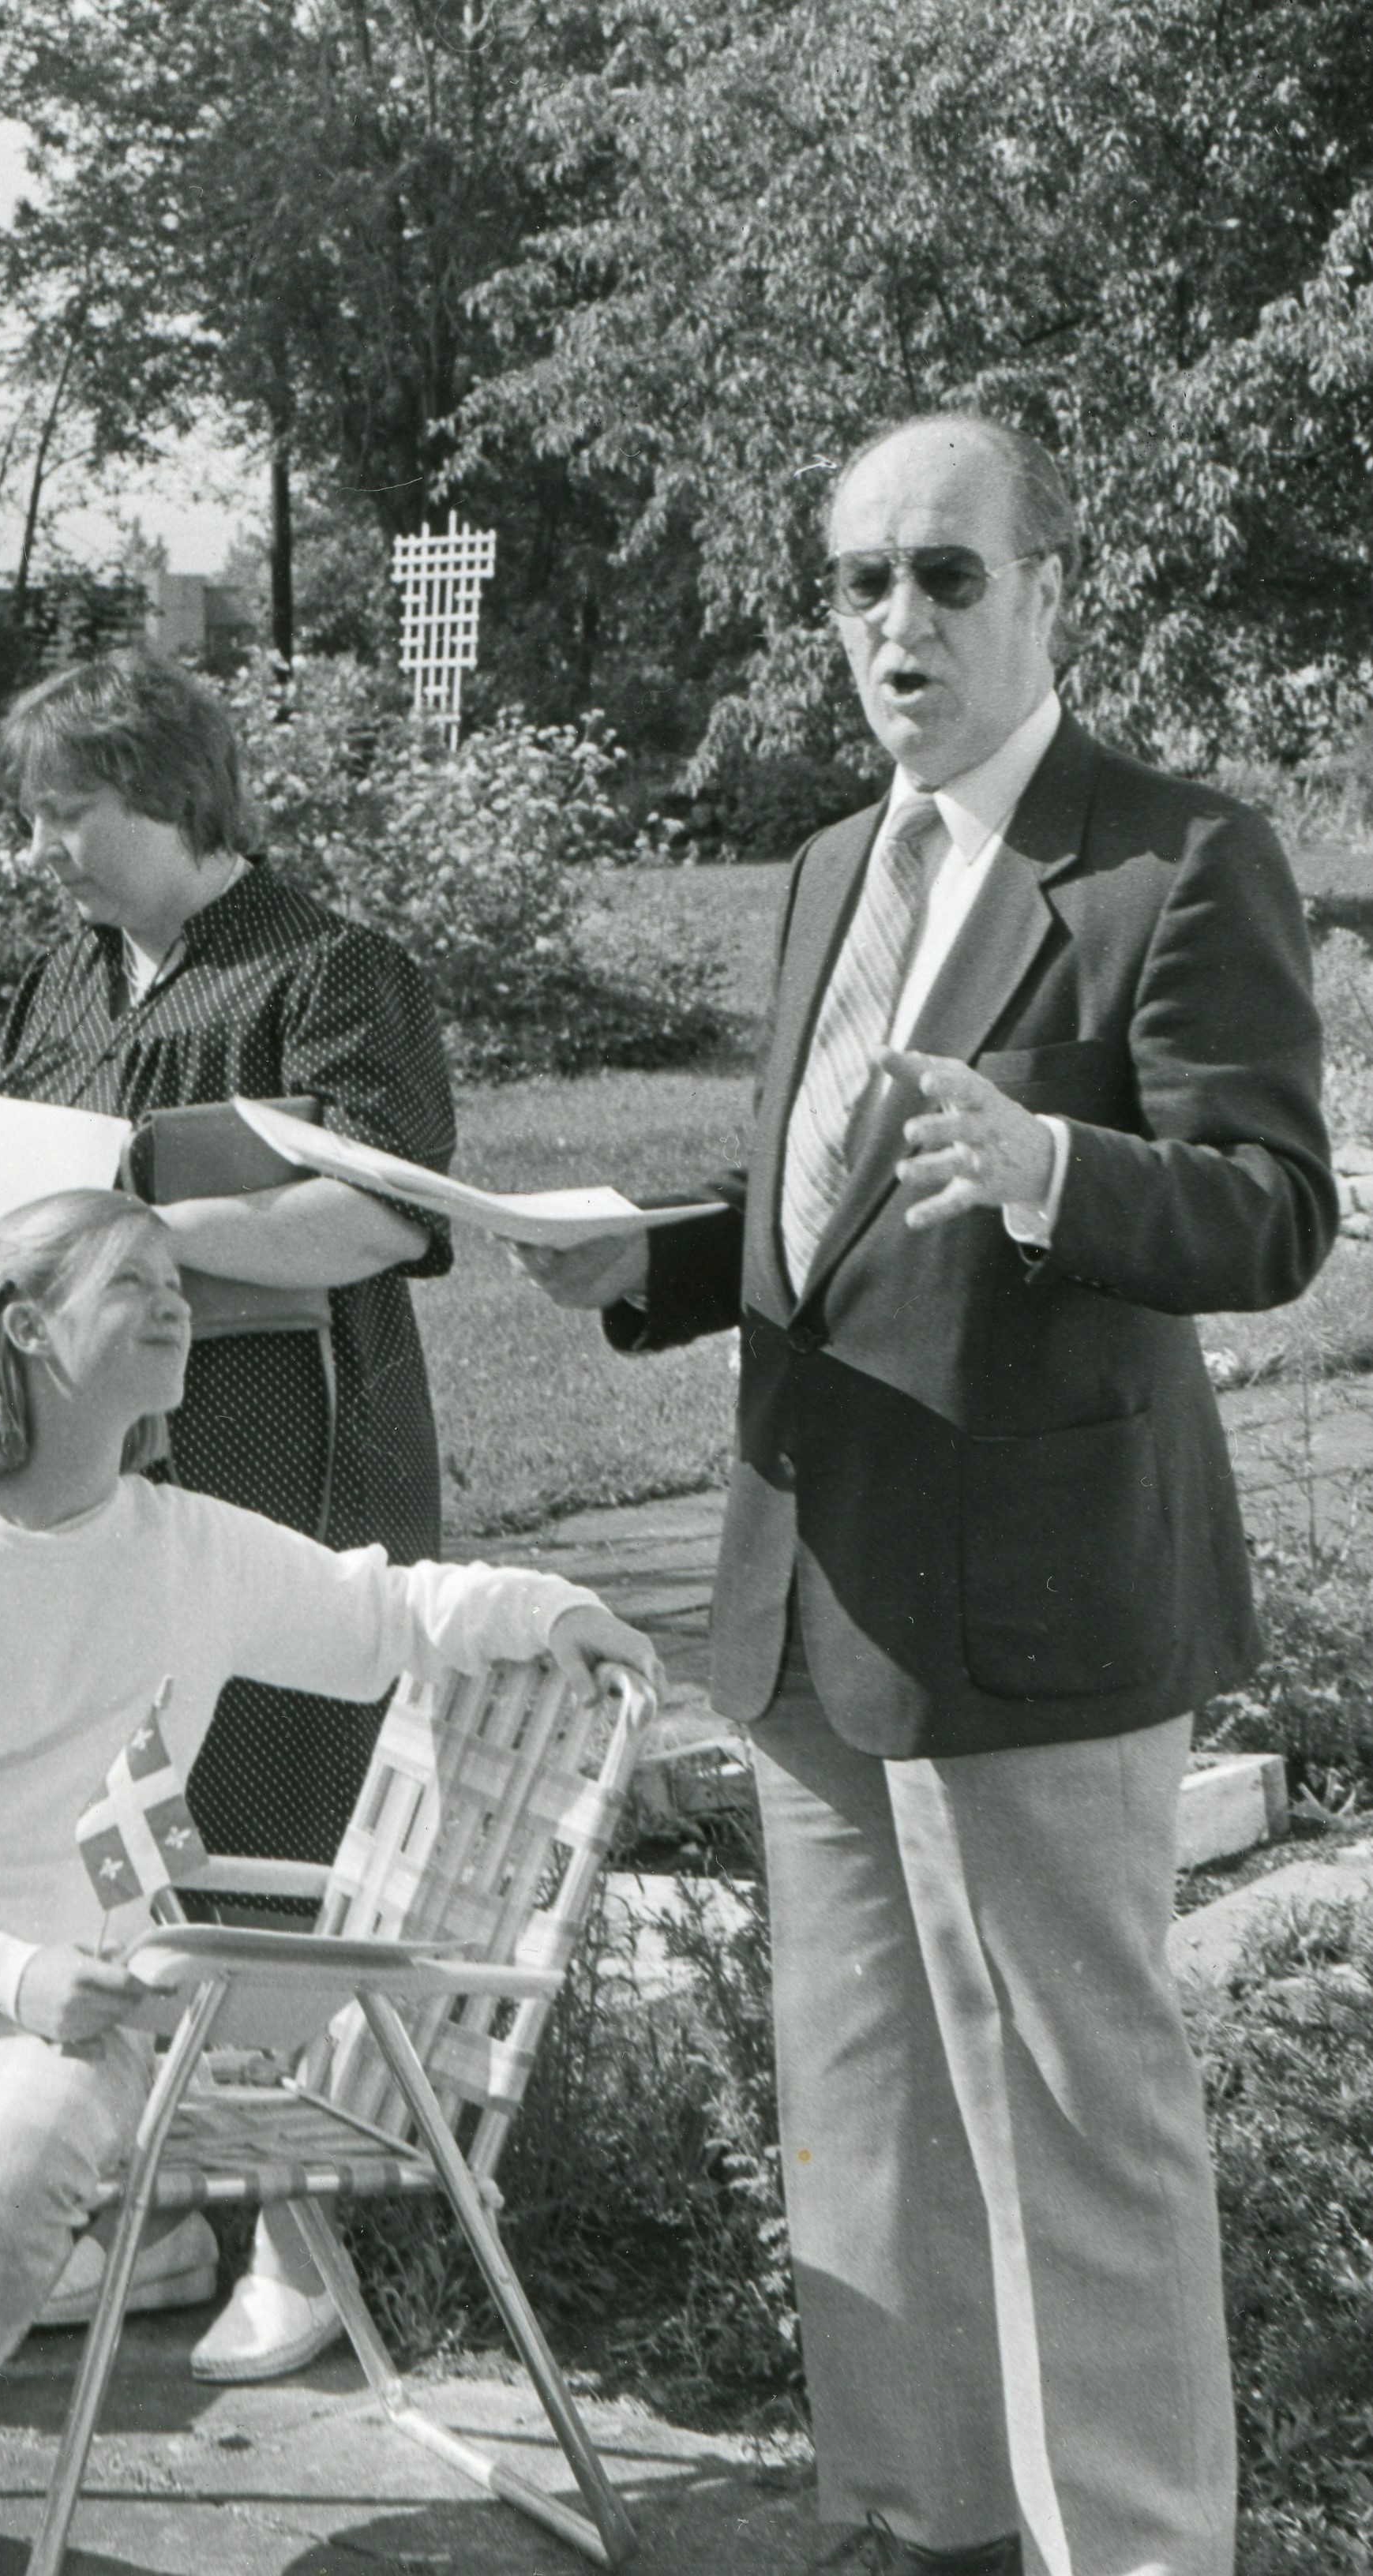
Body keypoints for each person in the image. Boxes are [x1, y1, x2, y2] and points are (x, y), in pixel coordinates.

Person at [516, 412, 1330, 2576]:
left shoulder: (1171, 854)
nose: (896, 619)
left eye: (944, 574)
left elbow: (1271, 1212)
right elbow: (828, 1207)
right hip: (811, 1589)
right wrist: (657, 1257)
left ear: (1047, 587)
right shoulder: (821, 868)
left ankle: (1140, 2547)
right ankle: (915, 2515)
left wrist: (1059, 1164)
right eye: (859, 577)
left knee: (1080, 2132)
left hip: (1040, 1605)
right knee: (860, 2114)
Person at [0, 1191, 653, 2576]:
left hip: (74, 1990)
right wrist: (10, 1968)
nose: (175, 1301)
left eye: (176, 1279)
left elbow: (379, 1613)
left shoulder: (187, 1547)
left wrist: (547, 1605)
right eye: (130, 1279)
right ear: (24, 1328)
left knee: (22, 2181)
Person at [0, 651, 459, 2375]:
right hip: (101, 1471)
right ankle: (152, 2201)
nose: (38, 848)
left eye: (64, 813)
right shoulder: (64, 974)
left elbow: (376, 1221)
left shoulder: (327, 971)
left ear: (169, 798)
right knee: (116, 1827)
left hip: (278, 1454)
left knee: (276, 1813)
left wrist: (134, 1241)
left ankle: (301, 2234)